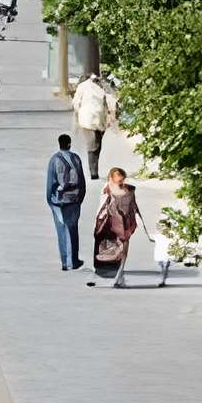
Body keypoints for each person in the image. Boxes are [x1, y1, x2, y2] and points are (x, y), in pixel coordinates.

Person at [90, 168, 142, 287]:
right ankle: (113, 275)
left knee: (123, 251)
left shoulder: (129, 191)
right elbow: (102, 208)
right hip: (111, 225)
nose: (120, 183)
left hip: (125, 225)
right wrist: (98, 223)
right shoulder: (107, 190)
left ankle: (119, 275)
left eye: (122, 180)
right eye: (118, 181)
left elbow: (134, 206)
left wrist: (138, 220)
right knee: (111, 250)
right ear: (111, 179)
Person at [45, 132, 88, 272]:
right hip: (73, 199)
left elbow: (50, 182)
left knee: (61, 230)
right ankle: (73, 261)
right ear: (69, 144)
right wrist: (80, 197)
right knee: (73, 230)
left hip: (58, 200)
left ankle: (65, 262)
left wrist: (50, 200)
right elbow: (81, 180)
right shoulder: (76, 158)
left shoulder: (54, 159)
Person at [72, 66, 119, 175]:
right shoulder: (86, 87)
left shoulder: (99, 87)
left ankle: (94, 170)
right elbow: (76, 103)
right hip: (90, 120)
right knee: (93, 145)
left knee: (96, 145)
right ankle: (93, 172)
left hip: (95, 120)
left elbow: (106, 104)